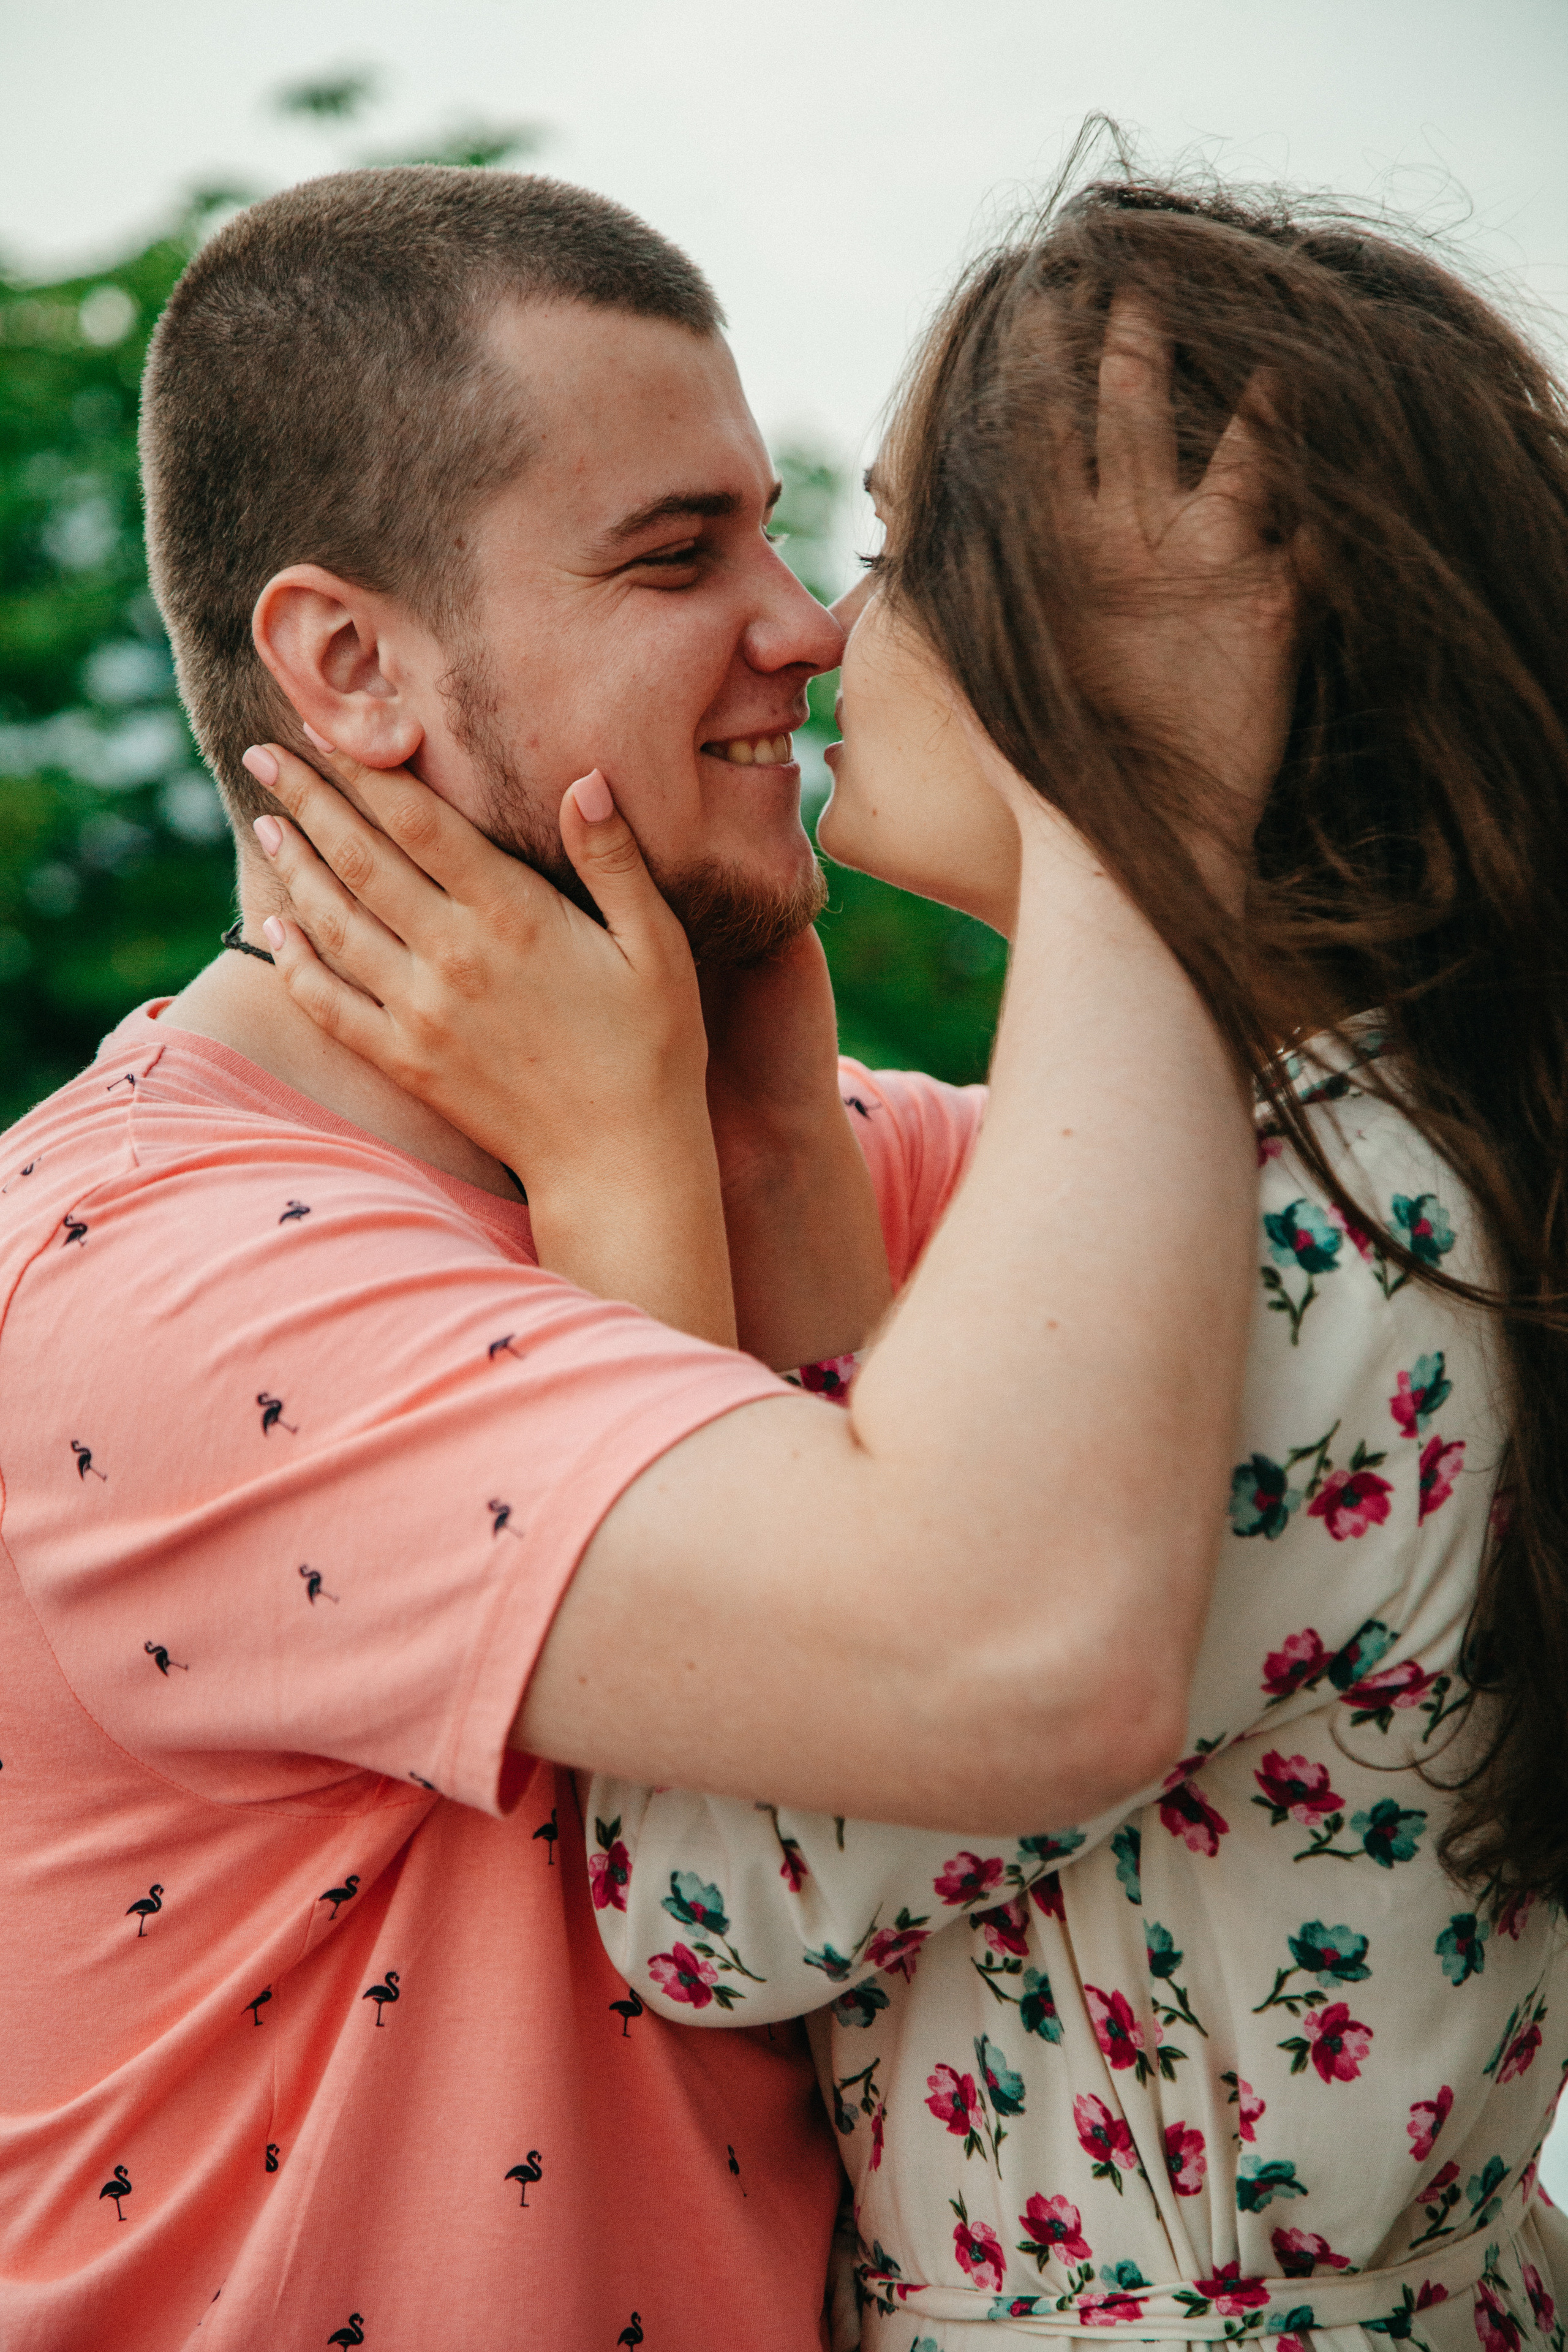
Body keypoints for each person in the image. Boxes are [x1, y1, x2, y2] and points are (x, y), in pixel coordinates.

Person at [260, 178, 1568, 2352]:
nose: (818, 635)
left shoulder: (1305, 1231)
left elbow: (708, 1894)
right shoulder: (1424, 1142)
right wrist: (779, 1132)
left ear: (1149, 631)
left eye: (885, 548)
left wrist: (618, 1178)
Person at [0, 167, 1263, 2350]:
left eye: (781, 532)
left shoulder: (845, 1150)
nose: (806, 626)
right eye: (679, 555)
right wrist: (1153, 774)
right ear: (350, 666)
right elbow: (1011, 1665)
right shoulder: (156, 1293)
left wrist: (743, 1130)